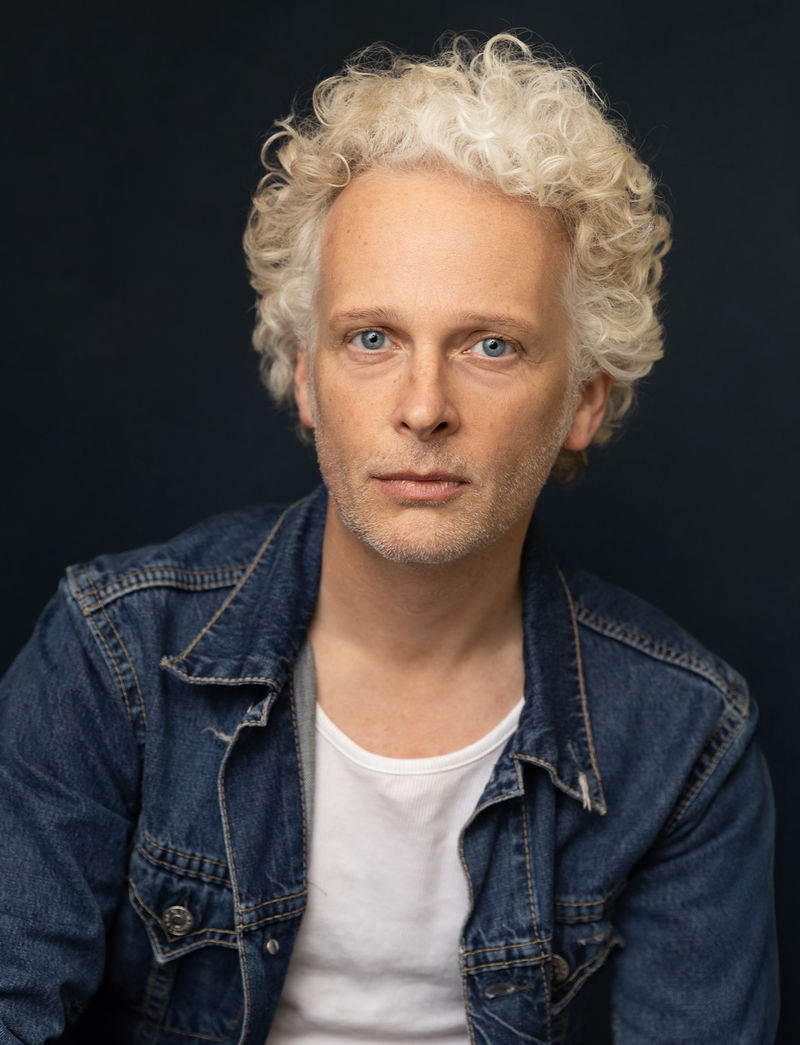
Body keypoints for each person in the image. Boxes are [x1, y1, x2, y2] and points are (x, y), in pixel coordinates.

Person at [0, 32, 778, 1045]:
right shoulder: (114, 656)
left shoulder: (684, 738)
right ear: (306, 374)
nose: (422, 407)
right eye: (371, 338)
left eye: (490, 345)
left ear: (585, 399)